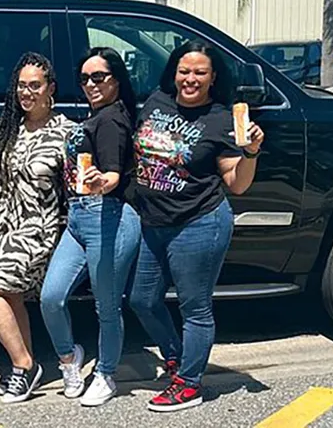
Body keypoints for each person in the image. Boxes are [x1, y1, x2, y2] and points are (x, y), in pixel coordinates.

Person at [126, 42, 264, 413]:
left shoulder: (220, 119)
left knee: (195, 308)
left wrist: (250, 153)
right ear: (174, 72)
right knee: (141, 299)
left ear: (213, 77)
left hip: (199, 222)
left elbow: (236, 183)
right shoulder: (156, 101)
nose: (191, 79)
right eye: (184, 71)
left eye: (200, 72)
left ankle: (189, 384)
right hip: (154, 222)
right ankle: (177, 357)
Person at [0, 52, 76, 404]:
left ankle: (24, 365)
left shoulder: (67, 133)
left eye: (35, 85)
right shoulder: (4, 128)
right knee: (8, 296)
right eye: (21, 85)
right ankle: (25, 368)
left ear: (51, 89)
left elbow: (77, 186)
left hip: (37, 230)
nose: (27, 92)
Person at [39, 46, 142, 408]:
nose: (90, 84)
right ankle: (70, 359)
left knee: (107, 306)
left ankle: (106, 375)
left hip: (109, 217)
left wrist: (106, 180)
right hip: (79, 219)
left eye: (99, 77)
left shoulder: (113, 119)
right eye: (84, 79)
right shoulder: (94, 115)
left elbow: (113, 172)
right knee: (51, 297)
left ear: (116, 79)